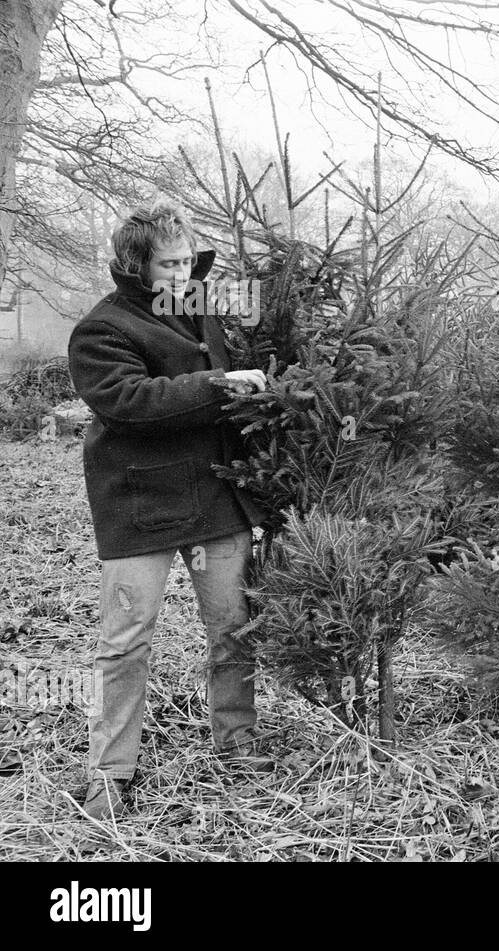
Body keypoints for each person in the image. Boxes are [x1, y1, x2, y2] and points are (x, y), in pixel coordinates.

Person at [67, 199, 272, 822]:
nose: (185, 275)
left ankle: (237, 744)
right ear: (136, 267)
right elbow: (128, 399)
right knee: (126, 641)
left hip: (214, 494)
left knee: (234, 626)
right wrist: (218, 386)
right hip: (140, 503)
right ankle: (110, 770)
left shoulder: (198, 308)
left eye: (190, 262)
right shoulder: (100, 330)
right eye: (171, 265)